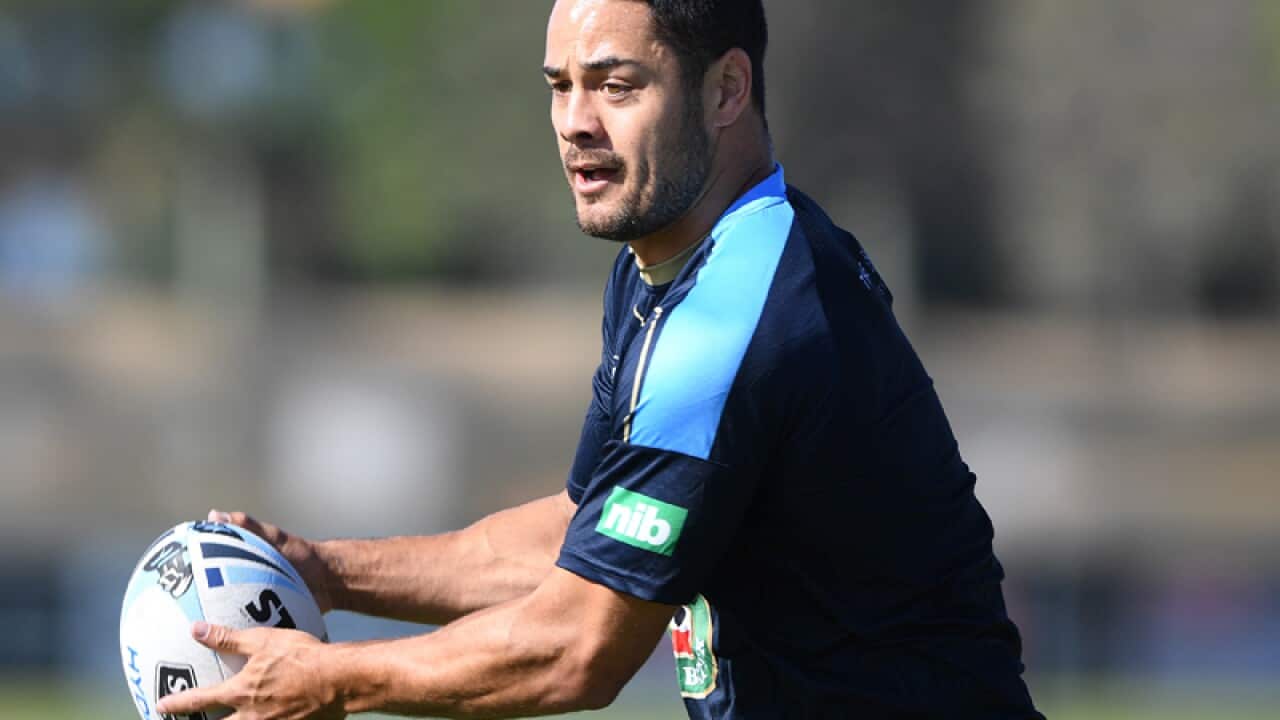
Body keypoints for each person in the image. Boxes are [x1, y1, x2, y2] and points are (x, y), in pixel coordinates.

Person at [157, 0, 1043, 718]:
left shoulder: (740, 316)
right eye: (560, 86)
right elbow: (581, 537)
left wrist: (334, 680)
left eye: (617, 86)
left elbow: (578, 646)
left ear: (726, 89)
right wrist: (327, 572)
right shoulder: (670, 268)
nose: (576, 124)